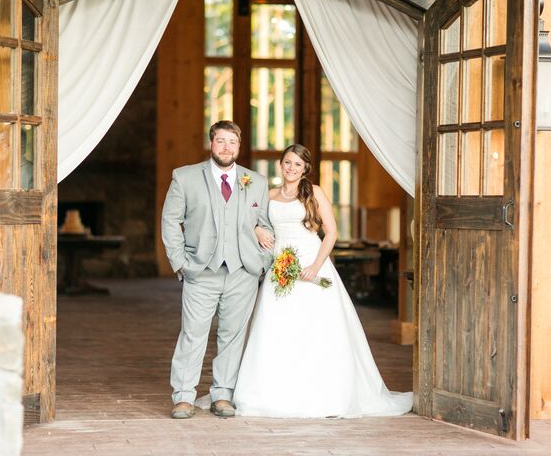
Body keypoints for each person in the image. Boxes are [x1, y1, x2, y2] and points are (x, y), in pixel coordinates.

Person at [232, 144, 413, 418]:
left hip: (311, 264)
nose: (291, 168)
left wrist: (315, 266)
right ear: (280, 165)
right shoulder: (268, 195)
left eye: (297, 164)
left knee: (317, 329)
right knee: (276, 329)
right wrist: (257, 229)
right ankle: (276, 391)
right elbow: (247, 217)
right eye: (287, 163)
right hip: (280, 267)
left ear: (305, 169)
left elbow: (331, 232)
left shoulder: (313, 193)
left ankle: (321, 391)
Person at [161, 120, 273, 419]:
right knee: (193, 334)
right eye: (220, 141)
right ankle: (184, 396)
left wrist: (262, 262)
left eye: (232, 142)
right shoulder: (185, 178)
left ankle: (223, 394)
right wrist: (181, 262)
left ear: (239, 146)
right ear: (211, 143)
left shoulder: (257, 182)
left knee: (233, 336)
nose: (226, 147)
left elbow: (266, 224)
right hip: (201, 271)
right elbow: (170, 221)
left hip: (243, 272)